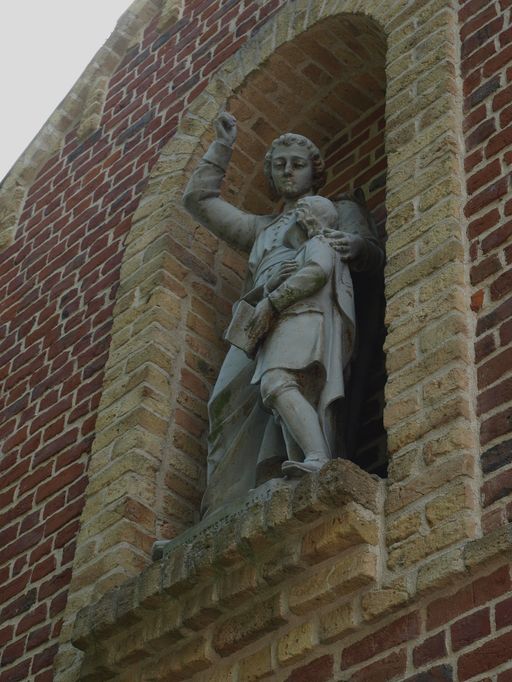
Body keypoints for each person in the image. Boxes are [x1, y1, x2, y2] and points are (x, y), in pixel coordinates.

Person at [183, 112, 382, 516]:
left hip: (304, 306)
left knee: (289, 382)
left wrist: (355, 246)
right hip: (257, 316)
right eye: (279, 165)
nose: (288, 171)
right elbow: (198, 201)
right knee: (226, 404)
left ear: (314, 172)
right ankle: (224, 508)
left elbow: (371, 255)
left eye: (297, 164)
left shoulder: (333, 208)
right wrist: (221, 149)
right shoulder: (262, 228)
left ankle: (309, 463)